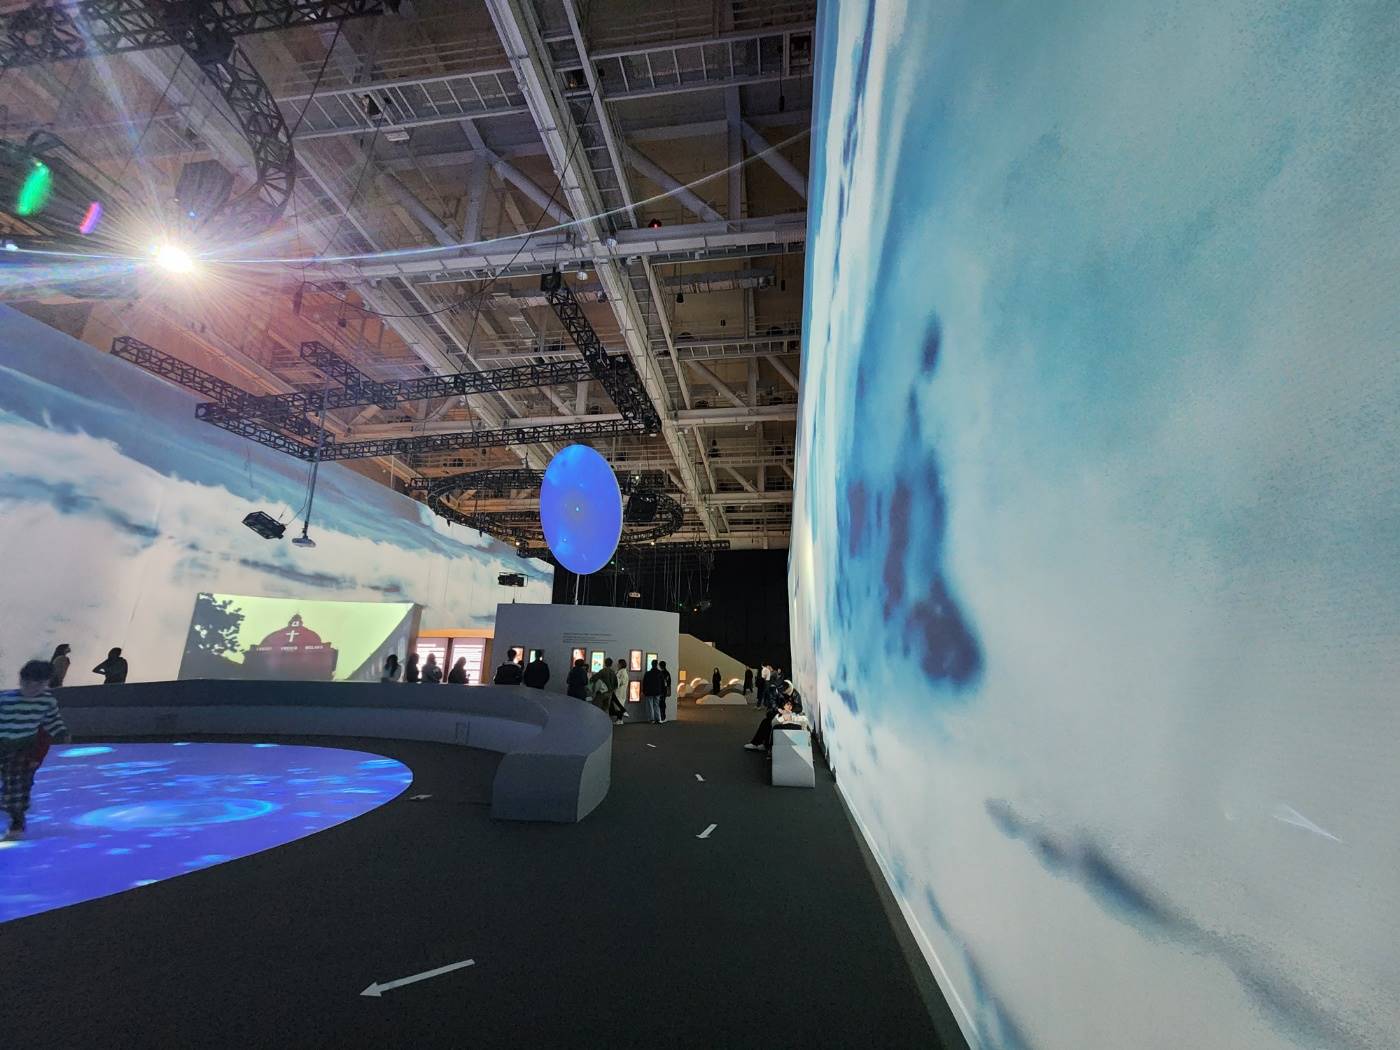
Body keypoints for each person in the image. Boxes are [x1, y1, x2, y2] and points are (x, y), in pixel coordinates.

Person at [1, 659, 71, 838]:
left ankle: (17, 820)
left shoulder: (46, 701)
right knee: (10, 783)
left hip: (23, 749)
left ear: (47, 683)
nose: (31, 688)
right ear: (21, 680)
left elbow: (52, 720)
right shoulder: (6, 700)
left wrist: (61, 732)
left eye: (38, 684)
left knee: (15, 784)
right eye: (27, 683)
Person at [744, 683, 805, 752]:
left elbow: (799, 708)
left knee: (769, 722)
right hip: (783, 714)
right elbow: (774, 702)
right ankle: (760, 743)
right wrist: (780, 709)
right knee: (767, 721)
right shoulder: (779, 691)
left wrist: (789, 711)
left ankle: (762, 744)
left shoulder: (795, 694)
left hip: (789, 717)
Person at [641, 659, 665, 725]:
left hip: (649, 692)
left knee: (650, 705)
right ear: (657, 665)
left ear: (651, 664)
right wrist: (662, 691)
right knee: (657, 705)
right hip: (657, 692)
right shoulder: (660, 673)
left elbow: (644, 683)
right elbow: (662, 684)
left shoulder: (647, 673)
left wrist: (644, 691)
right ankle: (658, 719)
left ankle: (652, 719)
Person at [612, 656, 630, 721]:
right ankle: (619, 719)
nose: (617, 665)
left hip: (619, 691)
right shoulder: (621, 671)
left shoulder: (622, 672)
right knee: (619, 705)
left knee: (619, 705)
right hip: (620, 691)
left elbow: (619, 682)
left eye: (618, 664)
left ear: (621, 664)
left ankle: (620, 719)